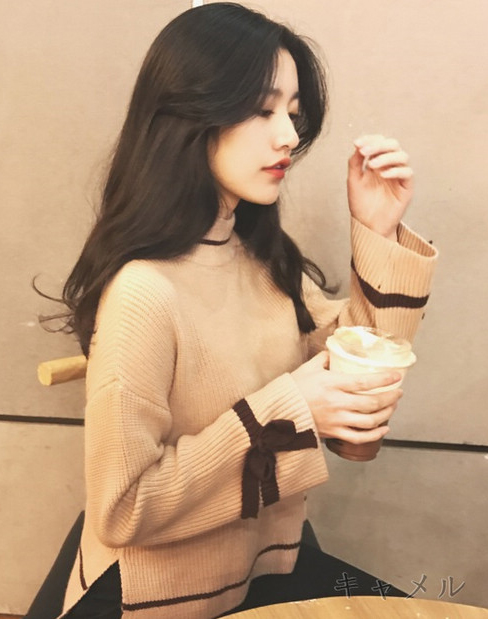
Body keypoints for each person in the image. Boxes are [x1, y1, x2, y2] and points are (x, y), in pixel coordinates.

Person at [34, 3, 437, 618]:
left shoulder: (259, 258)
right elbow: (122, 509)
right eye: (261, 109)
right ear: (188, 115)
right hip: (164, 597)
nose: (289, 136)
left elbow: (357, 358)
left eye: (293, 113)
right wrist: (291, 411)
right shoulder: (144, 292)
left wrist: (376, 231)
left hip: (262, 565)